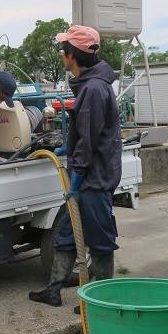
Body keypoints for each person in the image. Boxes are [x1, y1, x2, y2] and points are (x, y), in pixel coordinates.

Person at [29, 25, 122, 307]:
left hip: (93, 180)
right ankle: (54, 289)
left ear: (73, 55)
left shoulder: (93, 89)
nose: (61, 54)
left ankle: (99, 302)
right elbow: (85, 132)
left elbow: (89, 141)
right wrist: (68, 147)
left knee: (101, 241)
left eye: (63, 50)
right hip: (85, 176)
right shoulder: (90, 85)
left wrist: (78, 177)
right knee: (68, 234)